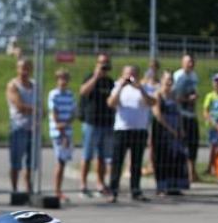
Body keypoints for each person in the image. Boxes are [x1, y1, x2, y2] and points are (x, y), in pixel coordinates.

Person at [106, 64, 155, 203]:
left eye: (133, 74)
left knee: (136, 162)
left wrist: (141, 89)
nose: (130, 77)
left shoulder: (145, 87)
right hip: (121, 129)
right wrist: (121, 87)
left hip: (139, 130)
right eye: (127, 74)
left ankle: (135, 190)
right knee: (117, 161)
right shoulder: (118, 86)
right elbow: (110, 103)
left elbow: (152, 102)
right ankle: (113, 191)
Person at [78, 53, 115, 196]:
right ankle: (83, 185)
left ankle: (100, 183)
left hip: (106, 122)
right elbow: (83, 92)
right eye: (102, 63)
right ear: (97, 64)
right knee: (87, 155)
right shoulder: (90, 78)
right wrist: (96, 76)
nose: (105, 66)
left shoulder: (110, 82)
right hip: (91, 122)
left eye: (107, 63)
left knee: (102, 157)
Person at [150, 70, 189, 196]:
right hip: (162, 131)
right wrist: (170, 129)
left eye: (171, 79)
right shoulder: (158, 95)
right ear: (162, 80)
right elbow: (157, 114)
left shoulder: (173, 95)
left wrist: (181, 129)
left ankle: (174, 186)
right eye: (167, 79)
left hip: (175, 131)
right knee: (162, 158)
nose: (169, 82)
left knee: (175, 158)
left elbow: (179, 113)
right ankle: (161, 187)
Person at [6, 58, 35, 200]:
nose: (25, 71)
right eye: (22, 68)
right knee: (16, 161)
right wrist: (36, 110)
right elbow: (19, 106)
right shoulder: (13, 85)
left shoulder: (34, 84)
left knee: (30, 162)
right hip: (18, 126)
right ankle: (15, 189)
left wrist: (36, 111)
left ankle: (29, 189)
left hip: (33, 127)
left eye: (27, 68)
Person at [47, 69, 76, 201]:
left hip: (67, 131)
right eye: (61, 78)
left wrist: (67, 125)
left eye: (65, 79)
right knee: (60, 160)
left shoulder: (70, 95)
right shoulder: (53, 94)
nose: (63, 81)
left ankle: (59, 189)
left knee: (63, 161)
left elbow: (73, 112)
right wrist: (62, 129)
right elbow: (54, 112)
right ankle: (57, 190)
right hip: (58, 132)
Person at [172, 54, 200, 183]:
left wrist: (194, 97)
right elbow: (174, 96)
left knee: (194, 143)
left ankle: (192, 173)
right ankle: (182, 173)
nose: (191, 64)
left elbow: (195, 91)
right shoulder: (178, 76)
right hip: (181, 113)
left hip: (192, 113)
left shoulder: (194, 76)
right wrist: (187, 99)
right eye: (188, 62)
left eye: (192, 62)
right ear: (182, 62)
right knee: (182, 144)